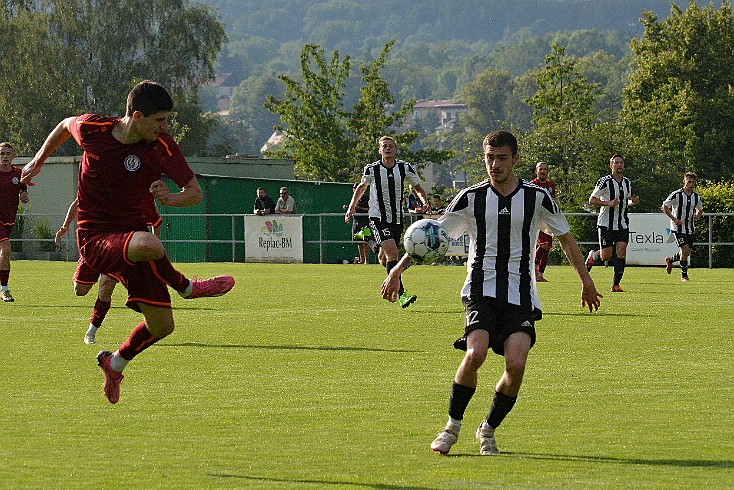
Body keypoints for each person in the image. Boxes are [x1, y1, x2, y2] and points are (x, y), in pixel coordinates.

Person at [381, 130, 602, 456]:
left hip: (521, 295)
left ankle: (487, 429)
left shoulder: (537, 198)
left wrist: (586, 281)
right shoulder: (471, 197)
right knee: (477, 353)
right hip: (480, 289)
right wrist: (397, 271)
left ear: (514, 159)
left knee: (516, 365)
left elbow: (566, 239)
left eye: (501, 158)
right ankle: (451, 427)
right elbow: (431, 236)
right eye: (489, 158)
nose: (494, 164)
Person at [21, 80, 235, 404]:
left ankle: (114, 363)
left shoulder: (162, 146)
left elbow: (194, 193)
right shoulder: (96, 129)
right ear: (137, 116)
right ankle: (187, 287)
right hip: (95, 236)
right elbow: (65, 125)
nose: (165, 127)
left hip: (131, 237)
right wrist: (38, 160)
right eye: (159, 120)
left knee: (162, 326)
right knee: (151, 245)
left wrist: (171, 198)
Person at [55, 197, 163, 345]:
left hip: (117, 246)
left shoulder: (137, 189)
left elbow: (156, 222)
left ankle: (91, 332)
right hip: (95, 243)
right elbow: (77, 203)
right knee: (80, 290)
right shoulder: (99, 180)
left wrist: (153, 250)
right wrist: (65, 226)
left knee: (106, 286)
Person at [345, 135, 428, 308]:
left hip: (397, 219)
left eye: (391, 146)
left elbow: (417, 188)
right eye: (384, 146)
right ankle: (402, 294)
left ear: (396, 149)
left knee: (384, 259)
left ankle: (369, 239)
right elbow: (362, 187)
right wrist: (351, 207)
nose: (388, 148)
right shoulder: (372, 169)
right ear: (379, 150)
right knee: (392, 253)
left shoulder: (405, 168)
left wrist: (424, 201)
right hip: (377, 217)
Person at [585, 154, 640, 292]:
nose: (619, 165)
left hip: (622, 223)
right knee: (606, 256)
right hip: (606, 224)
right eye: (616, 163)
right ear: (611, 166)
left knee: (621, 250)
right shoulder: (605, 181)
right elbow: (592, 199)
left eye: (621, 162)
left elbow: (625, 202)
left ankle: (616, 285)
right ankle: (593, 256)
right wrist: (608, 203)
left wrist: (633, 202)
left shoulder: (627, 182)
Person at [0, 142, 29, 303]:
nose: (4, 156)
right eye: (2, 153)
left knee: (3, 254)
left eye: (7, 153)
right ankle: (4, 289)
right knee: (6, 249)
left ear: (13, 156)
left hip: (9, 219)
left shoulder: (19, 174)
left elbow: (23, 194)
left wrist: (24, 197)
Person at [662, 172, 703, 282]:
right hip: (677, 227)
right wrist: (674, 219)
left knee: (687, 252)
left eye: (693, 182)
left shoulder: (696, 196)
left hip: (689, 227)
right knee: (684, 250)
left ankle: (670, 260)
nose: (690, 184)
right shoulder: (676, 194)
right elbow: (665, 207)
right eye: (689, 181)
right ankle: (684, 276)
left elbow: (700, 210)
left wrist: (697, 216)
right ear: (684, 181)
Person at [530, 162, 556, 282]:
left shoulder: (551, 185)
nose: (543, 171)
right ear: (536, 171)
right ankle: (532, 269)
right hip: (537, 219)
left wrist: (557, 212)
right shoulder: (533, 184)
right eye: (540, 169)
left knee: (547, 247)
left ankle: (540, 274)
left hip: (548, 219)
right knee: (543, 245)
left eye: (545, 169)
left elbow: (553, 200)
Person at [344, 182, 373, 265]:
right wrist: (348, 209)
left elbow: (369, 209)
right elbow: (353, 210)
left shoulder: (366, 198)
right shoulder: (353, 199)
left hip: (365, 222)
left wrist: (359, 208)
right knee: (359, 242)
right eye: (354, 188)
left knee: (366, 241)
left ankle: (367, 260)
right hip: (356, 222)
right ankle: (362, 259)